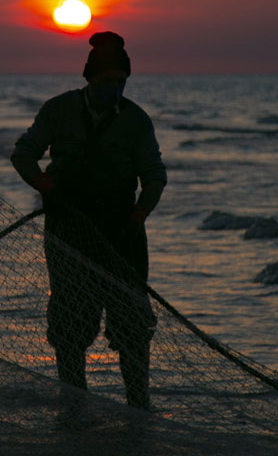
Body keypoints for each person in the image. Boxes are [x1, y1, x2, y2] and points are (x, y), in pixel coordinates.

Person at [11, 31, 166, 409]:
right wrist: (44, 185)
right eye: (105, 82)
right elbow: (23, 153)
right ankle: (74, 402)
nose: (113, 89)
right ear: (88, 79)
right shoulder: (58, 110)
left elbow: (155, 175)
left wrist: (138, 214)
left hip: (122, 232)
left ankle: (138, 404)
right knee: (70, 322)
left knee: (130, 323)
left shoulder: (136, 121)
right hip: (68, 228)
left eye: (120, 82)